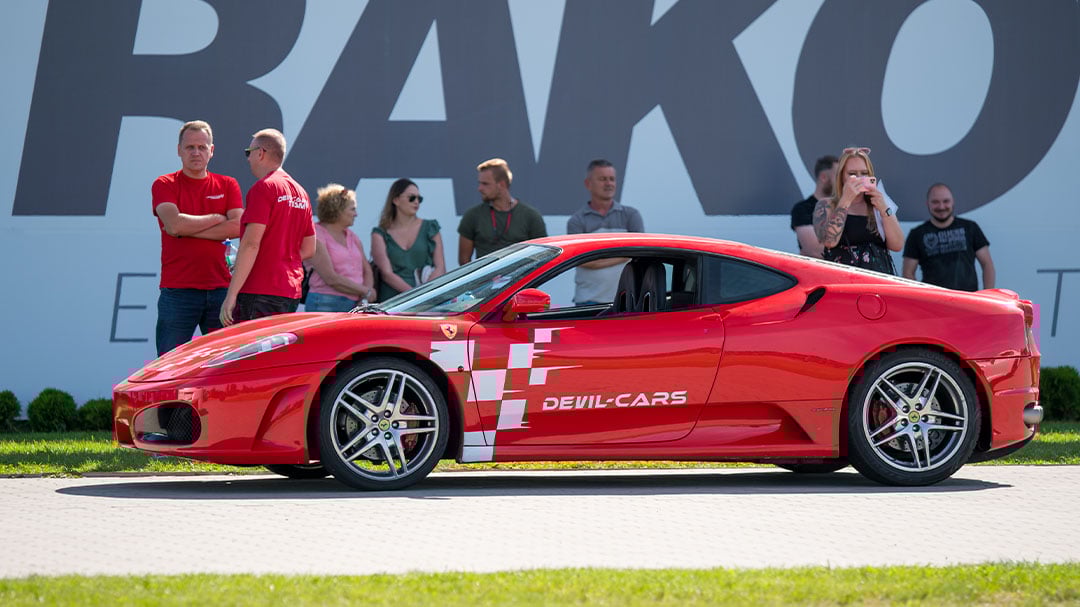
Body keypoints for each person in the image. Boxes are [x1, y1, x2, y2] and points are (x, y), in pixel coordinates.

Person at [152, 120, 243, 356]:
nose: (196, 152)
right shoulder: (164, 184)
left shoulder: (228, 184)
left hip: (221, 290)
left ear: (211, 151)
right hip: (178, 291)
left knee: (226, 364)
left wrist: (187, 229)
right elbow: (174, 224)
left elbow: (239, 226)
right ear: (179, 150)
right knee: (169, 366)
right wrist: (215, 216)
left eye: (202, 147)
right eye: (190, 147)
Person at [220, 128, 316, 326]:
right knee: (277, 355)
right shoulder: (301, 193)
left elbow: (250, 245)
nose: (248, 159)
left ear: (260, 153)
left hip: (259, 290)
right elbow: (309, 249)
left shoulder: (264, 188)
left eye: (249, 152)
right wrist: (280, 257)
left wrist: (231, 296)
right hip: (290, 290)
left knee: (251, 355)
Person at [813, 147, 904, 274]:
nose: (859, 178)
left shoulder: (879, 203)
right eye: (852, 174)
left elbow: (897, 245)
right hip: (844, 282)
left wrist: (884, 209)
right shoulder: (827, 204)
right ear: (842, 177)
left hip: (879, 282)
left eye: (864, 173)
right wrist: (845, 200)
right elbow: (829, 241)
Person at [566, 159, 645, 305]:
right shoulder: (577, 220)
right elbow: (583, 260)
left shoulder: (631, 215)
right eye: (603, 179)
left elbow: (640, 253)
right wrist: (624, 253)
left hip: (628, 302)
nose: (609, 183)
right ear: (588, 184)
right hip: (588, 303)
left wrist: (597, 258)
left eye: (612, 179)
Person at [902, 183, 996, 291]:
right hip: (934, 302)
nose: (941, 207)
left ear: (953, 202)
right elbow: (908, 273)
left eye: (946, 201)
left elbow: (987, 264)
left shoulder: (970, 227)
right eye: (935, 202)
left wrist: (987, 296)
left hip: (968, 300)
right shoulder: (916, 234)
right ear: (927, 204)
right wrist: (919, 299)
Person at [457, 158, 547, 264]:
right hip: (485, 279)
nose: (479, 188)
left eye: (485, 184)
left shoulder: (531, 216)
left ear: (501, 184)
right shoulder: (472, 216)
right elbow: (464, 261)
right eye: (479, 183)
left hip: (521, 279)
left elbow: (543, 257)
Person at [371, 178, 446, 302]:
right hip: (392, 302)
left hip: (426, 301)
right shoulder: (380, 233)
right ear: (395, 200)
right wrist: (414, 295)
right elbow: (387, 274)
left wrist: (424, 295)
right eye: (411, 198)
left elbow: (440, 267)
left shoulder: (430, 227)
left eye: (419, 199)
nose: (416, 202)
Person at [304, 184, 377, 311]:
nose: (356, 214)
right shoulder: (316, 234)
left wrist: (364, 298)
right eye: (352, 209)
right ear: (337, 210)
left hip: (355, 303)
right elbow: (330, 278)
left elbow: (367, 269)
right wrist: (366, 291)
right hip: (325, 304)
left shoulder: (352, 236)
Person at [790, 154, 838, 258]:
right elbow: (815, 250)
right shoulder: (803, 209)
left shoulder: (846, 207)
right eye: (838, 176)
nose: (843, 182)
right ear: (823, 177)